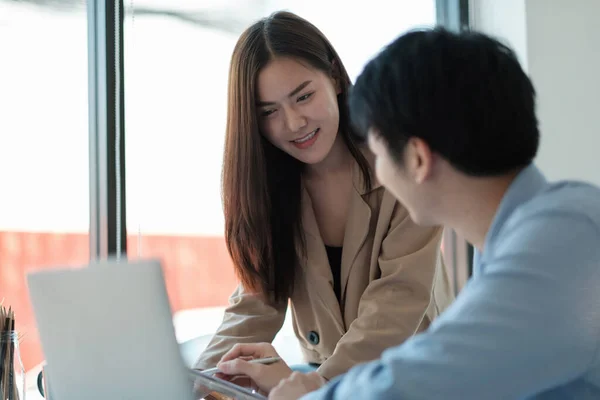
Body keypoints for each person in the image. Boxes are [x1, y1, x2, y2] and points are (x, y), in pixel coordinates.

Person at [216, 28, 600, 399]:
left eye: (378, 153)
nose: (375, 171)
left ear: (416, 158)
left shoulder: (559, 243)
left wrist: (316, 393)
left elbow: (437, 372)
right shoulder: (549, 229)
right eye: (269, 111)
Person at [193, 10, 454, 390]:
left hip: (418, 381)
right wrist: (197, 383)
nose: (294, 122)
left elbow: (398, 300)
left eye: (303, 96)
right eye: (269, 112)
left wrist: (319, 386)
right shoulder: (271, 188)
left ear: (333, 75)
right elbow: (255, 301)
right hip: (329, 386)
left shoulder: (400, 163)